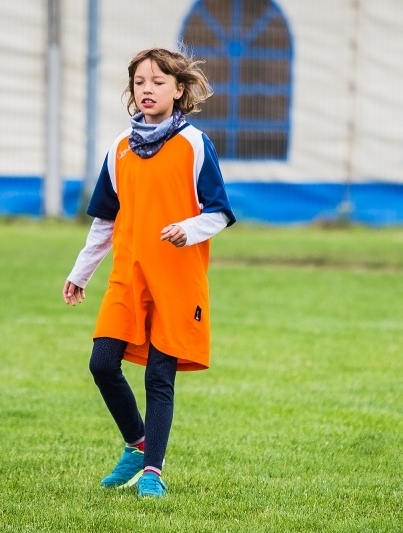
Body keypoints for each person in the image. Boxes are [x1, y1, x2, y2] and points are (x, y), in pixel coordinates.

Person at [62, 47, 235, 499]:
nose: (147, 90)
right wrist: (81, 272)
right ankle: (136, 444)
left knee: (160, 375)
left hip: (177, 280)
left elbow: (219, 213)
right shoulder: (119, 148)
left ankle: (154, 472)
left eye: (158, 82)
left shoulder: (194, 143)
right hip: (128, 276)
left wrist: (188, 228)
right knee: (101, 363)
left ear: (179, 91)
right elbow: (104, 219)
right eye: (140, 82)